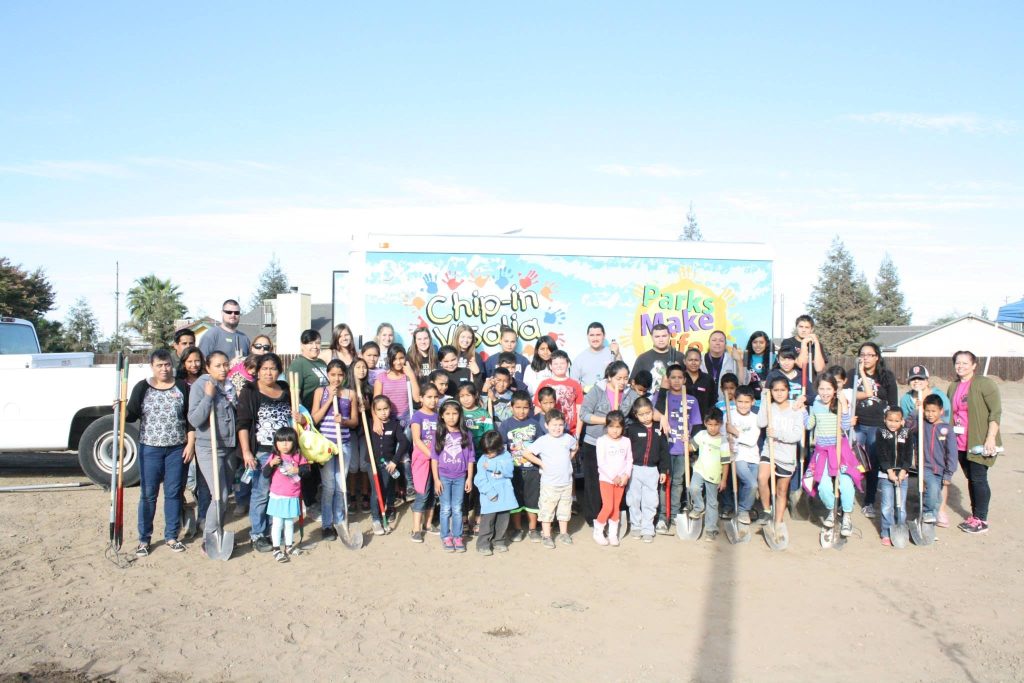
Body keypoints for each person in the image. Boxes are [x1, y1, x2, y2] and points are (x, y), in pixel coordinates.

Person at [125, 349, 195, 556]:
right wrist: (121, 409)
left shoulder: (181, 386)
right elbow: (131, 415)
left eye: (167, 365)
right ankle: (144, 539)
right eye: (159, 365)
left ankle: (171, 536)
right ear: (152, 367)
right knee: (148, 495)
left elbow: (190, 418)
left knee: (173, 493)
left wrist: (190, 444)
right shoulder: (143, 388)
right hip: (150, 448)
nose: (164, 369)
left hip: (176, 449)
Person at [236, 353, 294, 553]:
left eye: (273, 368)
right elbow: (243, 424)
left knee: (278, 493)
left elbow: (296, 417)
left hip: (286, 452)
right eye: (265, 368)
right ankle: (257, 534)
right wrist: (246, 452)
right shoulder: (250, 391)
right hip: (262, 452)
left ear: (279, 371)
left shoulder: (286, 389)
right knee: (260, 493)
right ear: (258, 371)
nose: (269, 372)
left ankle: (273, 530)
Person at [187, 351, 238, 556]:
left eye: (225, 364)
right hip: (209, 446)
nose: (223, 369)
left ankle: (218, 532)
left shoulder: (230, 386)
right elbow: (195, 419)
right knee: (219, 494)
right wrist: (208, 396)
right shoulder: (201, 385)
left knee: (226, 496)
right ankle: (208, 537)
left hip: (228, 445)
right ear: (208, 367)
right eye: (218, 365)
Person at [947, 350, 1002, 534]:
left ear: (974, 365)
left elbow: (995, 412)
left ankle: (982, 519)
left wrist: (990, 437)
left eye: (964, 363)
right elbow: (950, 413)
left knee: (979, 479)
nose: (960, 366)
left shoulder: (984, 384)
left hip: (979, 441)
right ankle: (975, 516)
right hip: (960, 441)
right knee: (971, 479)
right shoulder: (953, 386)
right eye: (957, 363)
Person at [580, 361, 638, 526]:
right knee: (594, 482)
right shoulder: (597, 391)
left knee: (616, 480)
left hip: (618, 445)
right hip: (595, 442)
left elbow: (643, 408)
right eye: (618, 378)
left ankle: (613, 516)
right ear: (609, 377)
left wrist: (661, 416)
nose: (622, 381)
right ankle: (594, 518)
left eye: (625, 378)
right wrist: (607, 421)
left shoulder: (629, 394)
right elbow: (584, 414)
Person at [805, 374, 860, 538]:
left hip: (839, 450)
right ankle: (831, 510)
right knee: (823, 486)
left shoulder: (839, 404)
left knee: (845, 482)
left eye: (828, 388)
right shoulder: (815, 403)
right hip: (822, 452)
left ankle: (847, 516)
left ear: (835, 390)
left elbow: (845, 426)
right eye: (821, 388)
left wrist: (844, 407)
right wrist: (801, 410)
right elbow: (809, 425)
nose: (825, 392)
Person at [850, 341, 899, 519]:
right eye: (862, 354)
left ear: (877, 357)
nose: (866, 358)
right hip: (857, 424)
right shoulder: (852, 375)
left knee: (872, 463)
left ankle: (869, 500)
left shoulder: (886, 376)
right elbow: (846, 398)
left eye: (870, 354)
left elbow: (893, 403)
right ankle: (846, 498)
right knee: (853, 461)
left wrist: (892, 426)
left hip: (877, 425)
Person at [312, 360, 358, 541]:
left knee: (341, 486)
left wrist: (344, 421)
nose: (336, 378)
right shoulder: (320, 392)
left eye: (340, 375)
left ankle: (340, 521)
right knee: (329, 486)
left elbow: (354, 421)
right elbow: (314, 419)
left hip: (344, 444)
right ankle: (326, 525)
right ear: (327, 375)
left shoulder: (350, 394)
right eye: (333, 374)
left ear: (345, 376)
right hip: (325, 446)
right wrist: (330, 400)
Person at [653, 363, 701, 533]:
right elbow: (652, 414)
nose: (676, 380)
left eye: (680, 377)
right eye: (672, 377)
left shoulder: (691, 400)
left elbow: (696, 426)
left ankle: (673, 514)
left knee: (678, 482)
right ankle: (661, 516)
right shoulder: (661, 396)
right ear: (667, 379)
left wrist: (691, 443)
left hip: (682, 449)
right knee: (664, 481)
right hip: (665, 447)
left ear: (685, 380)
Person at [522, 409, 579, 549]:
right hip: (549, 484)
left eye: (560, 424)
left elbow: (575, 446)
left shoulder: (567, 438)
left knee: (565, 509)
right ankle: (547, 535)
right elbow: (527, 453)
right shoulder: (543, 440)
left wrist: (569, 458)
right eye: (554, 425)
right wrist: (541, 463)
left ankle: (564, 533)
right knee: (547, 509)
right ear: (546, 425)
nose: (557, 428)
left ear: (564, 425)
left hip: (566, 482)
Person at [756, 377, 806, 528]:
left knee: (781, 491)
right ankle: (766, 511)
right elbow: (761, 422)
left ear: (788, 391)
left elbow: (797, 436)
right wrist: (764, 398)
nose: (779, 393)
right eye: (775, 390)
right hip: (770, 450)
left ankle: (778, 522)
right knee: (762, 478)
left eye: (782, 390)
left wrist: (777, 433)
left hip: (787, 455)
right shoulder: (770, 407)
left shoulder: (796, 409)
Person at [289, 329, 329, 509]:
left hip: (323, 419)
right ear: (302, 346)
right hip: (307, 420)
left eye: (317, 342)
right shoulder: (298, 364)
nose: (314, 346)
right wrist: (300, 418)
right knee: (308, 459)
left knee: (320, 456)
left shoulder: (321, 363)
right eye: (310, 343)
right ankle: (309, 500)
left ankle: (316, 496)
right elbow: (294, 396)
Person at [431, 401, 476, 553]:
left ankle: (457, 536)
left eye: (455, 413)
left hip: (460, 477)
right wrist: (436, 480)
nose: (451, 417)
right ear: (442, 416)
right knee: (445, 509)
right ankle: (445, 536)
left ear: (460, 415)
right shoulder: (439, 434)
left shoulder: (466, 434)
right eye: (448, 414)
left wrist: (469, 478)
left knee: (457, 508)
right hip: (443, 476)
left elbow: (470, 458)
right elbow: (434, 458)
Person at [499, 390, 543, 542]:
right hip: (514, 470)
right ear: (511, 407)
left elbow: (541, 446)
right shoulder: (505, 425)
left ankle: (532, 529)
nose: (521, 411)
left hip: (532, 470)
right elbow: (501, 447)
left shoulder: (535, 425)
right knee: (515, 500)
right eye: (517, 407)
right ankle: (517, 529)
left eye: (525, 407)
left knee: (533, 500)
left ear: (530, 408)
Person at [262, 426, 310, 562]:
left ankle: (289, 546)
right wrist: (271, 464)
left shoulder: (298, 456)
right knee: (277, 523)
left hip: (293, 495)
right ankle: (276, 548)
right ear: (275, 443)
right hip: (277, 495)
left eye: (288, 441)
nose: (284, 444)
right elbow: (265, 474)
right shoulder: (274, 457)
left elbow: (307, 471)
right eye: (281, 441)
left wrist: (298, 469)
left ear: (294, 442)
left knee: (289, 522)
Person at [624, 397, 668, 542]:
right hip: (634, 470)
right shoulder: (631, 429)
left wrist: (663, 470)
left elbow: (664, 451)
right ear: (635, 415)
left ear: (652, 411)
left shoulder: (658, 428)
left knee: (650, 500)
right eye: (641, 414)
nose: (645, 417)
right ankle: (636, 525)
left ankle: (648, 528)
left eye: (648, 413)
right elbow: (625, 450)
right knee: (634, 499)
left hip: (652, 470)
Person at [366, 395, 410, 535]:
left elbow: (404, 442)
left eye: (385, 408)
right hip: (372, 464)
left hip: (388, 465)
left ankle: (387, 509)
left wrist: (395, 461)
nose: (383, 412)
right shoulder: (369, 423)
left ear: (390, 408)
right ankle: (376, 520)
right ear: (374, 411)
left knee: (385, 489)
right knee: (376, 490)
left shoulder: (395, 425)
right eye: (379, 409)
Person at [687, 407, 729, 543]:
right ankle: (699, 506)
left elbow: (726, 462)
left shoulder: (723, 441)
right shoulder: (701, 435)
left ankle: (711, 529)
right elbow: (691, 448)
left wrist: (724, 480)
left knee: (712, 503)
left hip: (714, 474)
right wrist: (685, 440)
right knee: (693, 488)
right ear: (705, 423)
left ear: (720, 424)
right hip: (699, 469)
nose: (713, 428)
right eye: (710, 425)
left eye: (716, 425)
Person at [473, 431, 517, 556]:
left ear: (499, 447)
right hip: (490, 497)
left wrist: (493, 465)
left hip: (505, 495)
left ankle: (499, 541)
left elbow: (509, 472)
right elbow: (479, 479)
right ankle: (483, 544)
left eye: (491, 452)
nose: (488, 454)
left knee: (503, 521)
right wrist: (490, 492)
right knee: (487, 522)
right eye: (485, 451)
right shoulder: (482, 460)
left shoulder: (506, 455)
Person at [918, 393, 958, 528]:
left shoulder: (947, 429)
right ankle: (927, 512)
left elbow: (952, 453)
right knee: (933, 488)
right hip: (925, 467)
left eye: (933, 411)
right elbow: (910, 426)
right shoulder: (921, 424)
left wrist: (948, 474)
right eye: (927, 411)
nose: (930, 414)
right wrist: (915, 411)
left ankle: (929, 525)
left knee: (937, 499)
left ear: (941, 411)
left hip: (941, 469)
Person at [877, 408, 914, 546]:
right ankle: (886, 532)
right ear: (885, 420)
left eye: (896, 421)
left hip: (903, 475)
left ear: (902, 421)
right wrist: (889, 471)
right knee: (887, 505)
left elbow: (908, 453)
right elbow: (881, 453)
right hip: (886, 474)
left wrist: (904, 470)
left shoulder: (906, 433)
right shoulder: (882, 432)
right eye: (890, 420)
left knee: (901, 506)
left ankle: (900, 528)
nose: (893, 424)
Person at [594, 410, 631, 547]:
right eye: (611, 427)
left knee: (616, 507)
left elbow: (629, 460)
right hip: (606, 479)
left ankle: (613, 534)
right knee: (608, 505)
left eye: (618, 427)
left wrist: (626, 475)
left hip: (621, 480)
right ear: (606, 427)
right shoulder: (601, 441)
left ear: (622, 427)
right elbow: (601, 463)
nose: (615, 430)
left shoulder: (626, 441)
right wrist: (613, 476)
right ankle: (598, 531)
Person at [724, 386, 761, 525]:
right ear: (734, 400)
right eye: (740, 402)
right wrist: (730, 435)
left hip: (753, 457)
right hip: (737, 456)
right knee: (752, 484)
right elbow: (724, 437)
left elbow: (752, 441)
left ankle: (744, 509)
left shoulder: (755, 418)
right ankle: (743, 510)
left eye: (746, 402)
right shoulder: (729, 415)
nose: (743, 405)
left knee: (748, 486)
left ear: (752, 402)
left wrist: (735, 432)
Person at [409, 384, 440, 542]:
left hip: (437, 460)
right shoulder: (417, 416)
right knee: (422, 493)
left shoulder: (439, 416)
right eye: (429, 397)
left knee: (434, 493)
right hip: (422, 460)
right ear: (421, 398)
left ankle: (428, 524)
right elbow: (417, 440)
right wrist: (431, 455)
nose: (433, 400)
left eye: (436, 397)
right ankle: (416, 528)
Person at [534, 350, 584, 439]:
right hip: (546, 433)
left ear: (568, 364)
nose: (559, 366)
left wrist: (577, 434)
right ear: (550, 366)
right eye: (556, 364)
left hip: (570, 433)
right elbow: (538, 408)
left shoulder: (576, 385)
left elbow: (580, 411)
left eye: (562, 363)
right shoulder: (544, 384)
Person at [571, 322, 622, 393]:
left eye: (598, 335)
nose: (595, 338)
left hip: (611, 398)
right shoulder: (579, 359)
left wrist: (617, 354)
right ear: (587, 336)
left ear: (604, 336)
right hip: (588, 399)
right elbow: (573, 385)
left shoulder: (612, 352)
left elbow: (622, 373)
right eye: (592, 335)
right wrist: (585, 389)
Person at [198, 299, 251, 363]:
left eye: (236, 313)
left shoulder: (244, 338)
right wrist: (229, 365)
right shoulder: (211, 335)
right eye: (229, 312)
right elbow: (202, 362)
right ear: (222, 313)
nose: (233, 315)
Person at [630, 323, 679, 390]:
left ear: (669, 336)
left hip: (674, 398)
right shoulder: (642, 358)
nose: (661, 340)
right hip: (649, 399)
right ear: (652, 337)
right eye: (657, 336)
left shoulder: (680, 356)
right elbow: (633, 384)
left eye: (664, 336)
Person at [701, 330, 745, 399]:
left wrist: (739, 361)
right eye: (714, 340)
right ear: (709, 342)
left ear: (725, 344)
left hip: (726, 403)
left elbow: (742, 382)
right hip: (704, 403)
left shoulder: (733, 359)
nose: (717, 343)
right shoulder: (699, 359)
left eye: (721, 341)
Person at [683, 348, 716, 420]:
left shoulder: (708, 379)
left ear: (701, 362)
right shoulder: (679, 378)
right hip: (682, 420)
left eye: (696, 360)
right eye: (690, 360)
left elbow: (713, 400)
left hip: (702, 421)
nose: (693, 363)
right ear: (684, 361)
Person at [742, 330, 772, 401]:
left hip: (768, 399)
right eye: (755, 342)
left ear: (766, 344)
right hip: (750, 400)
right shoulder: (746, 358)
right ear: (751, 343)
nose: (758, 345)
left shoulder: (772, 358)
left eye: (761, 342)